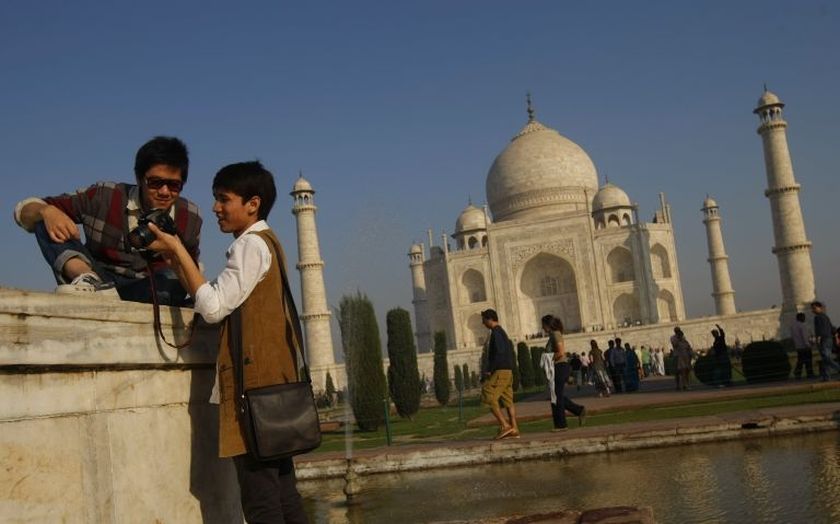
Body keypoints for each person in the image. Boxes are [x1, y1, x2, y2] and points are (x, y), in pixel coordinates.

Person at [146, 161, 306, 523]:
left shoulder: (249, 245)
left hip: (255, 395)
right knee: (284, 495)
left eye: (224, 199)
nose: (216, 207)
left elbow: (214, 308)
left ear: (253, 204)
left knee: (261, 502)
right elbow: (219, 296)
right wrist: (175, 257)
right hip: (275, 391)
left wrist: (178, 249)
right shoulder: (268, 241)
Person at [13, 136, 201, 305]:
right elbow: (25, 208)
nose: (165, 192)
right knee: (45, 220)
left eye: (174, 185)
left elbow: (192, 271)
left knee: (180, 273)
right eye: (156, 183)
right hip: (98, 282)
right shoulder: (104, 196)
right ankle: (87, 279)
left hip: (149, 289)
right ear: (139, 178)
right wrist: (46, 210)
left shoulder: (190, 217)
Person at [480, 308, 519, 439]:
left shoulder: (496, 332)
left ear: (490, 319)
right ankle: (514, 428)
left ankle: (505, 426)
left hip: (500, 371)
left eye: (484, 320)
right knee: (508, 400)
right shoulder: (501, 332)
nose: (483, 323)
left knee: (488, 395)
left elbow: (500, 352)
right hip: (507, 371)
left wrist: (490, 369)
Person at [541, 315, 586, 430]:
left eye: (543, 325)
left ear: (548, 325)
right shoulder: (552, 335)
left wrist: (548, 359)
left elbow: (561, 353)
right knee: (556, 396)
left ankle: (561, 425)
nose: (542, 327)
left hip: (560, 367)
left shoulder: (556, 334)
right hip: (557, 367)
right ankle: (578, 410)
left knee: (556, 397)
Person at [811, 301, 839, 382]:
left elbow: (819, 330)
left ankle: (837, 368)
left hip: (824, 340)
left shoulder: (817, 317)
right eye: (812, 308)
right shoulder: (825, 316)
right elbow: (832, 328)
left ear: (820, 308)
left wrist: (818, 339)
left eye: (814, 308)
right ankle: (826, 377)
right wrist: (836, 337)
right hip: (829, 339)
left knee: (826, 358)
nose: (813, 310)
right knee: (825, 359)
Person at [791, 312, 815, 379]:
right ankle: (810, 374)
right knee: (808, 361)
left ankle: (797, 373)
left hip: (798, 346)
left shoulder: (793, 326)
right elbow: (805, 337)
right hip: (805, 347)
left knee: (800, 361)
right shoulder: (802, 325)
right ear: (801, 318)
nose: (804, 319)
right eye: (803, 317)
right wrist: (808, 345)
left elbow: (793, 337)